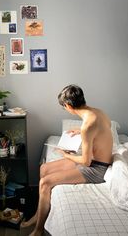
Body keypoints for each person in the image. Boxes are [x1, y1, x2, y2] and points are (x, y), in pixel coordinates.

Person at [21, 84, 113, 236]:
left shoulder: (88, 125)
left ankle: (38, 230)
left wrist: (66, 154)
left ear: (69, 105)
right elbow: (102, 129)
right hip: (95, 160)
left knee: (45, 182)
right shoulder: (98, 113)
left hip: (97, 168)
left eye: (64, 107)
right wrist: (80, 132)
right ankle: (38, 214)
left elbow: (86, 162)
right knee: (44, 169)